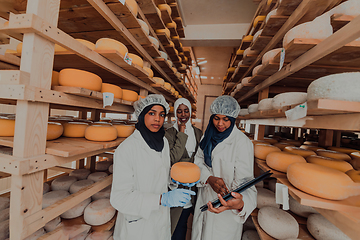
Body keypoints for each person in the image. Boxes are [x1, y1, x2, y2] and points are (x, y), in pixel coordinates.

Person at [110, 94, 196, 240]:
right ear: (142, 115)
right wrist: (161, 199)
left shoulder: (162, 142)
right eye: (152, 113)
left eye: (162, 114)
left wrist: (176, 182)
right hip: (137, 227)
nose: (158, 119)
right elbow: (119, 198)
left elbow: (160, 174)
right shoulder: (127, 149)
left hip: (160, 223)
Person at [191, 95, 257, 240]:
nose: (220, 123)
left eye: (226, 119)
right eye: (216, 118)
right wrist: (208, 178)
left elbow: (247, 184)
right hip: (204, 201)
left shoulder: (242, 143)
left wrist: (239, 203)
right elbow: (198, 160)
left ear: (233, 119)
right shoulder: (207, 136)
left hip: (225, 215)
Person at [165, 98, 203, 240]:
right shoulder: (169, 134)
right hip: (175, 187)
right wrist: (181, 133)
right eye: (179, 111)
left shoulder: (198, 133)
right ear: (175, 112)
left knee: (189, 220)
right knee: (176, 225)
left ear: (190, 112)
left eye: (186, 111)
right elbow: (172, 158)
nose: (183, 115)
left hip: (194, 187)